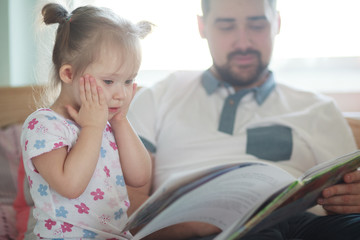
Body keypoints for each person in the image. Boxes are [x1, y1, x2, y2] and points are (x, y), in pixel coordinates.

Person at [127, 0, 360, 239]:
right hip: (201, 230)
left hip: (306, 225)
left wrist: (352, 197)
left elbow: (346, 188)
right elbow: (124, 201)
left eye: (257, 26)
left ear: (276, 23)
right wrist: (189, 225)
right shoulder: (158, 97)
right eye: (227, 27)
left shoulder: (318, 108)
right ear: (202, 27)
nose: (243, 43)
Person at [20, 3, 152, 239]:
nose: (121, 94)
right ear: (69, 74)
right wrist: (93, 127)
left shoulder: (108, 122)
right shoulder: (44, 125)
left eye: (128, 80)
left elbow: (140, 176)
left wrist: (120, 119)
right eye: (109, 81)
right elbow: (70, 186)